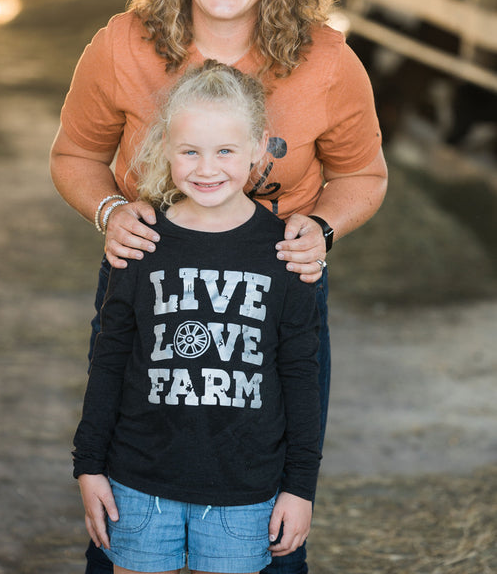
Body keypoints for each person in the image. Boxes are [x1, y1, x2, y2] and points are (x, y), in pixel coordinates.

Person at [50, 0, 388, 574]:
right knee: (131, 485)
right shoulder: (122, 44)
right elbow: (76, 153)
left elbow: (362, 174)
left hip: (275, 299)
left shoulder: (327, 59)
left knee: (265, 517)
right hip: (149, 284)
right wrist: (112, 211)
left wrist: (319, 228)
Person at [73, 60, 322, 574]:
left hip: (245, 491)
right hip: (137, 484)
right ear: (165, 147)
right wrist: (88, 466)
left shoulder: (286, 254)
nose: (207, 169)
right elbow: (110, 359)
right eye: (190, 151)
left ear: (260, 148)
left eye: (226, 151)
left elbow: (301, 376)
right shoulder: (141, 244)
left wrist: (300, 488)